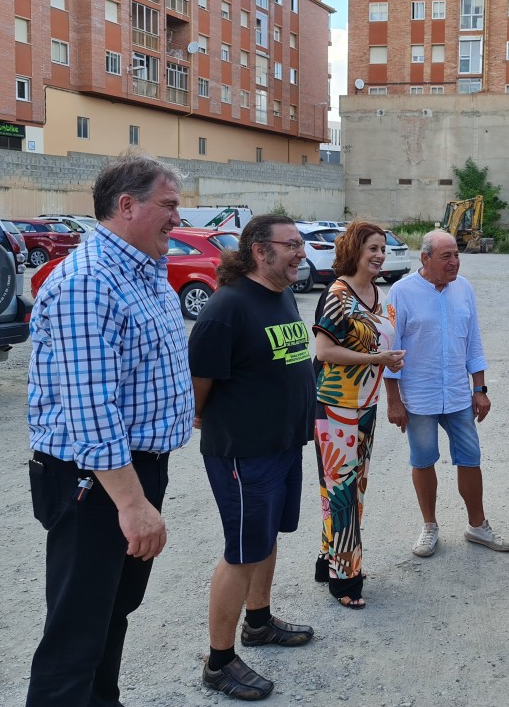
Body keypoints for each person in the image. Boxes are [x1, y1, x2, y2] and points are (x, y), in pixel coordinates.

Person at [25, 151, 195, 707]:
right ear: (127, 206)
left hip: (133, 471)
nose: (179, 218)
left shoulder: (145, 272)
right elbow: (91, 410)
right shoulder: (89, 282)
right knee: (77, 630)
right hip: (94, 480)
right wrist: (133, 504)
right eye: (169, 206)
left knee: (112, 613)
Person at [190, 215, 318, 700]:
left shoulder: (281, 294)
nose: (300, 253)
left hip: (284, 443)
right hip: (243, 452)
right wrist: (205, 415)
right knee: (241, 551)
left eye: (301, 244)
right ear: (260, 250)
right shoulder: (227, 308)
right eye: (292, 245)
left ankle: (259, 623)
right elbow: (199, 383)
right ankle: (219, 663)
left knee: (265, 539)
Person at [385, 230, 509, 557]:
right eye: (446, 256)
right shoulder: (400, 292)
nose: (454, 262)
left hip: (457, 395)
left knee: (470, 458)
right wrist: (394, 400)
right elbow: (389, 350)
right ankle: (429, 526)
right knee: (423, 460)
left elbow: (473, 342)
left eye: (457, 254)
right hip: (420, 397)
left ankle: (477, 525)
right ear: (425, 258)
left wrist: (480, 389)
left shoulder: (464, 288)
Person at [312, 221, 405, 609]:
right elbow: (323, 351)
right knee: (343, 491)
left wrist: (386, 365)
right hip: (336, 406)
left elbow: (380, 345)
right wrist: (376, 359)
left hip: (365, 405)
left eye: (383, 248)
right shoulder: (337, 295)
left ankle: (328, 560)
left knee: (350, 488)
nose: (380, 254)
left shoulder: (377, 294)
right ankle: (345, 578)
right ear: (354, 250)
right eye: (372, 248)